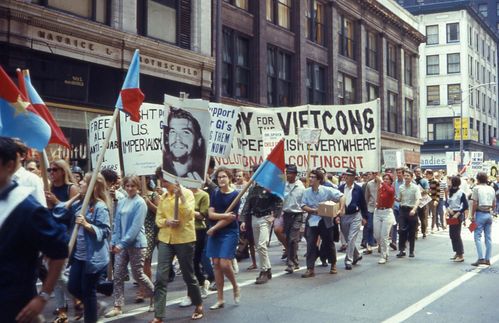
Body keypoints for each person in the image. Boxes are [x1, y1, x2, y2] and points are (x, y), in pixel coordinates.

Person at [0, 137, 68, 323]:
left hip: (14, 306)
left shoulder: (27, 208)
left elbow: (59, 250)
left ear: (10, 165)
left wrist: (43, 296)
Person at [60, 172, 111, 322]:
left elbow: (105, 231)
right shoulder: (81, 204)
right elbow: (60, 211)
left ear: (93, 187)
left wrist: (87, 225)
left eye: (83, 182)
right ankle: (95, 305)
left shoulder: (100, 206)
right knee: (73, 286)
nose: (80, 183)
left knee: (88, 292)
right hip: (79, 257)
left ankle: (91, 313)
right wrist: (77, 196)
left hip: (93, 258)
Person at [151, 177, 203, 322]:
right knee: (161, 277)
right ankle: (158, 314)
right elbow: (158, 219)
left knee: (188, 275)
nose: (164, 184)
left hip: (184, 238)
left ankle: (198, 303)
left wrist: (181, 197)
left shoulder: (187, 193)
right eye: (162, 181)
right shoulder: (163, 197)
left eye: (166, 181)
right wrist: (166, 221)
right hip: (165, 238)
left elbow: (189, 215)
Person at [105, 176, 154, 318]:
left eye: (133, 186)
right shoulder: (122, 201)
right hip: (122, 245)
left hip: (137, 244)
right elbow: (117, 224)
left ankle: (155, 295)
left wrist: (122, 244)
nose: (130, 188)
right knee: (118, 274)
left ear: (138, 187)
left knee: (138, 274)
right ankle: (117, 305)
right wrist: (114, 241)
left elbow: (135, 228)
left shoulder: (141, 203)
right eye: (127, 185)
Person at [206, 167, 241, 309]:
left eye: (224, 177)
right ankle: (220, 299)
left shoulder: (236, 195)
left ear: (229, 178)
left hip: (229, 232)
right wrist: (224, 215)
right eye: (219, 177)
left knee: (225, 263)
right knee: (216, 264)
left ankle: (235, 286)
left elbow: (231, 219)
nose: (221, 179)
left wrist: (214, 227)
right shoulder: (215, 193)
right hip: (215, 233)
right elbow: (211, 214)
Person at [240, 170, 283, 284]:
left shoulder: (270, 188)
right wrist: (243, 220)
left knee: (262, 244)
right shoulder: (252, 189)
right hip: (254, 218)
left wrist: (274, 216)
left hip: (265, 218)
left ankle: (263, 271)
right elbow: (247, 205)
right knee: (258, 247)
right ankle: (267, 269)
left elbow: (279, 201)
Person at [301, 170, 344, 278]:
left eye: (313, 177)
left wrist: (341, 209)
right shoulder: (306, 192)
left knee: (328, 243)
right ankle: (310, 268)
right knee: (311, 244)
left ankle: (333, 264)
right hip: (312, 220)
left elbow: (341, 196)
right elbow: (302, 205)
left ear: (319, 180)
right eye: (309, 177)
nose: (310, 179)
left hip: (325, 221)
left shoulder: (327, 190)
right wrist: (312, 210)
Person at [163, 107, 206, 181]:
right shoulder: (163, 175)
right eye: (173, 132)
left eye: (185, 132)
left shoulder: (200, 177)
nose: (177, 138)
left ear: (198, 142)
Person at [338, 168, 367, 270]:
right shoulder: (340, 188)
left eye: (350, 175)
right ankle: (356, 255)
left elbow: (363, 204)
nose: (347, 177)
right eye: (346, 175)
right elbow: (337, 203)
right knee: (347, 238)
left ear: (354, 177)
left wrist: (364, 217)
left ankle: (348, 260)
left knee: (351, 238)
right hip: (344, 216)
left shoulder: (358, 189)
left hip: (356, 216)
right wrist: (337, 216)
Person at [282, 164, 305, 274]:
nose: (288, 175)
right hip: (286, 215)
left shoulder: (301, 187)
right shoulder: (284, 186)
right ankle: (294, 260)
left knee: (292, 238)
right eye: (287, 173)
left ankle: (290, 263)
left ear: (295, 174)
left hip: (297, 215)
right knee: (288, 239)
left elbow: (304, 203)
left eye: (290, 173)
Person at [470, 172, 496, 266]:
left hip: (480, 214)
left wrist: (472, 216)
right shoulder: (491, 188)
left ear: (477, 179)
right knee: (488, 237)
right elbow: (494, 204)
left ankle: (481, 258)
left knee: (477, 236)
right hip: (488, 214)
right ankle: (487, 259)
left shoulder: (476, 188)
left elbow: (475, 203)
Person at [11, 140, 46, 206]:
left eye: (11, 152)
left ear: (22, 156)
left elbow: (41, 209)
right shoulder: (3, 178)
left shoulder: (32, 180)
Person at [397, 169, 421, 258]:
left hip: (412, 211)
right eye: (405, 175)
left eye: (408, 176)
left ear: (411, 177)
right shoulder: (401, 187)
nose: (406, 177)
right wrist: (395, 198)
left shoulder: (415, 187)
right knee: (401, 230)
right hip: (403, 210)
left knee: (412, 231)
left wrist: (414, 209)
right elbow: (400, 199)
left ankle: (411, 251)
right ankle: (401, 250)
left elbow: (418, 199)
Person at [373, 173, 395, 264]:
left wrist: (382, 181)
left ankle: (384, 255)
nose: (385, 180)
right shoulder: (381, 188)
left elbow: (390, 192)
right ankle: (385, 247)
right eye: (384, 179)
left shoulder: (391, 189)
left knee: (384, 236)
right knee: (377, 235)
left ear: (390, 181)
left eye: (387, 179)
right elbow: (377, 197)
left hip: (387, 213)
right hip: (378, 212)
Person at [446, 176, 468, 263]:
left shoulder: (461, 193)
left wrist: (457, 214)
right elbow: (446, 202)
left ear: (454, 182)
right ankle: (456, 252)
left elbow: (465, 205)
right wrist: (448, 209)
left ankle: (460, 254)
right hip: (451, 214)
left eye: (450, 181)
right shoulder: (449, 191)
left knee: (456, 234)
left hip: (457, 215)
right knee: (452, 234)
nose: (448, 182)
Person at [363, 171, 378, 254]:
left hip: (381, 209)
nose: (375, 175)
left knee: (379, 229)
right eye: (374, 174)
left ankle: (379, 244)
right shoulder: (369, 184)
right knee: (369, 226)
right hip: (371, 208)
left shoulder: (383, 183)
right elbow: (366, 196)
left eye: (377, 173)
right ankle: (369, 245)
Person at [390, 167, 405, 251]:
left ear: (403, 174)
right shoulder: (394, 183)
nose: (398, 174)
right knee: (394, 224)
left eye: (400, 173)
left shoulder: (406, 183)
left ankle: (403, 242)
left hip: (403, 207)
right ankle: (394, 242)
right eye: (397, 173)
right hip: (395, 206)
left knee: (402, 226)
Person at [414, 167, 429, 239]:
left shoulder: (424, 181)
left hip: (422, 202)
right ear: (414, 173)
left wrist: (419, 193)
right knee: (415, 218)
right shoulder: (413, 181)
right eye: (416, 172)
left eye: (419, 171)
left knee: (422, 218)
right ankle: (415, 233)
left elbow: (427, 191)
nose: (418, 173)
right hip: (414, 202)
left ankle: (424, 232)